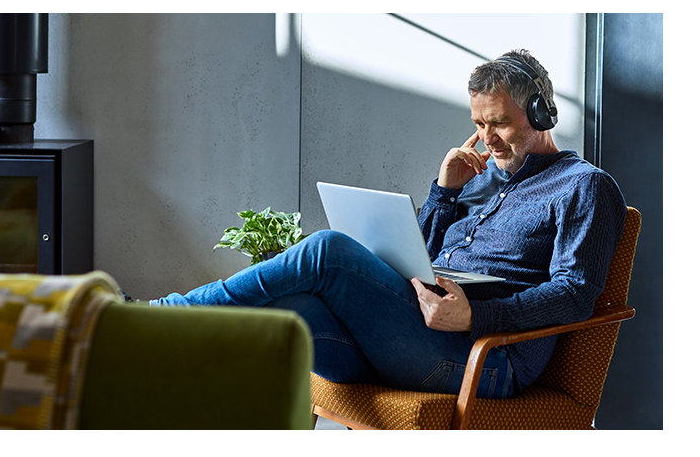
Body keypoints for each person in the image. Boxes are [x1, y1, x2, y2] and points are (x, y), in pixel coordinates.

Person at [152, 49, 626, 399]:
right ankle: (159, 361)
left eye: (498, 123)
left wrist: (476, 316)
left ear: (541, 111)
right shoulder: (477, 176)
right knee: (292, 306)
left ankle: (161, 317)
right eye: (478, 124)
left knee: (327, 251)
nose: (487, 139)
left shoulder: (583, 186)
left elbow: (575, 294)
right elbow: (412, 255)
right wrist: (444, 191)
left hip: (484, 360)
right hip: (414, 334)